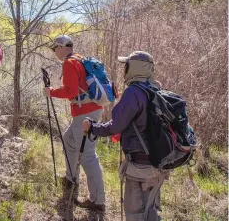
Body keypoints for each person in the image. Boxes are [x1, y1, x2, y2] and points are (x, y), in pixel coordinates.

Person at [83, 51, 169, 221]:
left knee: (134, 212)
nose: (125, 69)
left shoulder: (134, 93)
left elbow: (115, 126)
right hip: (158, 163)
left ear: (134, 68)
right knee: (150, 209)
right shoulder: (156, 89)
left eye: (127, 65)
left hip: (139, 166)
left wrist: (93, 128)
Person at [43, 35, 106, 212]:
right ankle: (71, 178)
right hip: (89, 111)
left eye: (55, 48)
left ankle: (98, 200)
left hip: (85, 114)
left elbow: (70, 92)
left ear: (61, 47)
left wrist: (51, 92)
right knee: (69, 139)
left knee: (87, 155)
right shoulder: (80, 58)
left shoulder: (69, 63)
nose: (55, 52)